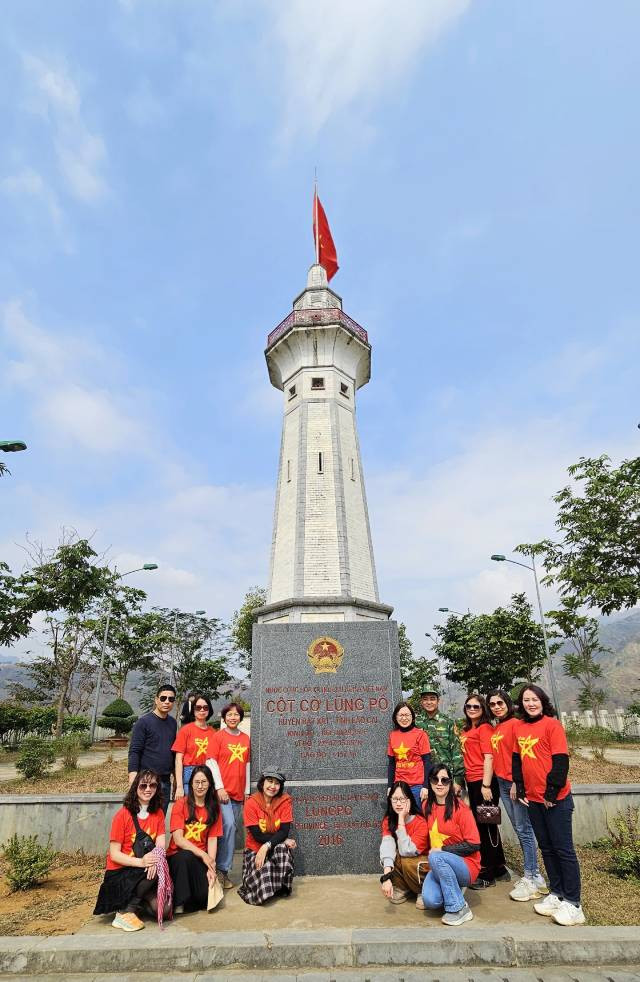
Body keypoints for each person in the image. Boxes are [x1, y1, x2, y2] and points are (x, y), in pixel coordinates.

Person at [513, 684, 585, 926]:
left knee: (563, 849)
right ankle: (557, 893)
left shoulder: (552, 725)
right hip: (533, 800)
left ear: (543, 701)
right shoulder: (520, 727)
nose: (530, 703)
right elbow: (517, 759)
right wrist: (520, 786)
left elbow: (560, 761)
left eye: (534, 699)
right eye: (526, 700)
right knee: (546, 848)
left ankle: (574, 903)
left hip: (556, 800)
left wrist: (552, 792)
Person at [487, 688, 547, 901]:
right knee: (520, 828)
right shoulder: (498, 727)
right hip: (502, 783)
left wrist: (516, 782)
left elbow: (520, 755)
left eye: (500, 703)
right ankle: (531, 873)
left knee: (524, 829)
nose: (496, 707)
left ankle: (534, 876)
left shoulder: (515, 725)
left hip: (514, 783)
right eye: (492, 704)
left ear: (508, 704)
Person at [94, 770, 166, 932]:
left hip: (145, 868)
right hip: (121, 872)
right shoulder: (123, 815)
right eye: (143, 785)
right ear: (135, 788)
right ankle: (124, 912)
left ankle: (138, 902)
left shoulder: (159, 813)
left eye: (153, 785)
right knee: (153, 869)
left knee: (164, 909)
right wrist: (142, 862)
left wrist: (155, 859)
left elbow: (161, 846)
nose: (148, 789)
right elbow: (114, 854)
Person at [421, 763, 481, 926]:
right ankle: (454, 890)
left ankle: (459, 908)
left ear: (450, 782)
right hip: (439, 863)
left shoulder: (461, 809)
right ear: (430, 782)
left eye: (444, 780)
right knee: (430, 901)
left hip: (466, 866)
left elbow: (474, 844)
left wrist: (442, 850)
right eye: (435, 779)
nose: (439, 783)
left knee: (435, 856)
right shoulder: (426, 806)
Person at [459, 693, 509, 888]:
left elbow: (489, 757)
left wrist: (486, 785)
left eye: (476, 707)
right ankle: (499, 867)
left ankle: (487, 872)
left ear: (483, 709)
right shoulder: (467, 729)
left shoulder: (485, 728)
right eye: (469, 706)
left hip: (483, 782)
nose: (472, 709)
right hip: (471, 781)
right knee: (485, 824)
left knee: (486, 826)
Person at [205, 701, 250, 890]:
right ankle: (222, 870)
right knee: (229, 826)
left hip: (239, 793)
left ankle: (221, 870)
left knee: (230, 830)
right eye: (229, 714)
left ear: (240, 717)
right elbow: (211, 762)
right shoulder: (218, 737)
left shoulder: (246, 738)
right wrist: (219, 787)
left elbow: (247, 765)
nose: (233, 717)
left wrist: (247, 791)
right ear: (224, 718)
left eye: (236, 714)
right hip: (222, 793)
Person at [167, 765, 222, 913]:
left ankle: (187, 899)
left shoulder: (214, 807)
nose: (200, 786)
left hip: (198, 861)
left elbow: (212, 839)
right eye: (196, 782)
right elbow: (178, 839)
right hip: (177, 858)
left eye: (204, 782)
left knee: (204, 898)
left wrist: (211, 867)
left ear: (210, 784)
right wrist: (203, 855)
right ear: (190, 783)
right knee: (186, 856)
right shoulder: (181, 804)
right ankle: (179, 902)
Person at [238, 768, 296, 906]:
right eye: (269, 781)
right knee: (262, 881)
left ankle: (281, 887)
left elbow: (284, 831)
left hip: (271, 847)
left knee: (283, 850)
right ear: (262, 782)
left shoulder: (285, 801)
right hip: (254, 849)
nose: (272, 786)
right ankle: (263, 887)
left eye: (277, 783)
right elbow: (257, 835)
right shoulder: (251, 803)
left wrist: (267, 845)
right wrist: (275, 842)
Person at [379, 780, 430, 909]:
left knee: (406, 859)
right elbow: (387, 846)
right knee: (388, 857)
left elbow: (407, 850)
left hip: (422, 866)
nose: (398, 803)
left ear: (410, 800)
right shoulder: (388, 820)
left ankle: (423, 889)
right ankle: (403, 887)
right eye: (395, 799)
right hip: (407, 863)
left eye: (402, 799)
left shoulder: (420, 822)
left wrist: (401, 820)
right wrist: (386, 877)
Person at [128, 685, 177, 812]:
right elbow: (134, 751)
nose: (167, 701)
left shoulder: (173, 723)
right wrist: (133, 779)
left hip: (166, 781)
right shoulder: (143, 722)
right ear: (156, 700)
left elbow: (173, 753)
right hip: (147, 781)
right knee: (144, 820)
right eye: (163, 698)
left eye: (171, 699)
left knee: (160, 820)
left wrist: (176, 778)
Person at [414, 687, 465, 794]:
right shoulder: (415, 723)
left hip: (445, 777)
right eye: (425, 699)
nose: (429, 702)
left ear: (438, 701)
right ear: (421, 702)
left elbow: (456, 751)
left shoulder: (448, 722)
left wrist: (458, 780)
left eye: (432, 699)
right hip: (423, 777)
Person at [387, 701, 431, 808]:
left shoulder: (420, 734)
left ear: (412, 717)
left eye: (407, 715)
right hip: (399, 786)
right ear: (395, 717)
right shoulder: (393, 735)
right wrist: (389, 786)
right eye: (401, 715)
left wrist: (426, 786)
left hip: (417, 786)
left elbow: (427, 761)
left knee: (418, 819)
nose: (404, 718)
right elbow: (392, 764)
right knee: (402, 819)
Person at [172, 692, 216, 797]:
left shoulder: (214, 733)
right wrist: (179, 786)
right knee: (191, 810)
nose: (202, 710)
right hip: (189, 774)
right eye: (198, 707)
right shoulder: (185, 730)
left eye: (205, 707)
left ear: (209, 710)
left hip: (207, 774)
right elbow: (178, 759)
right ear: (193, 710)